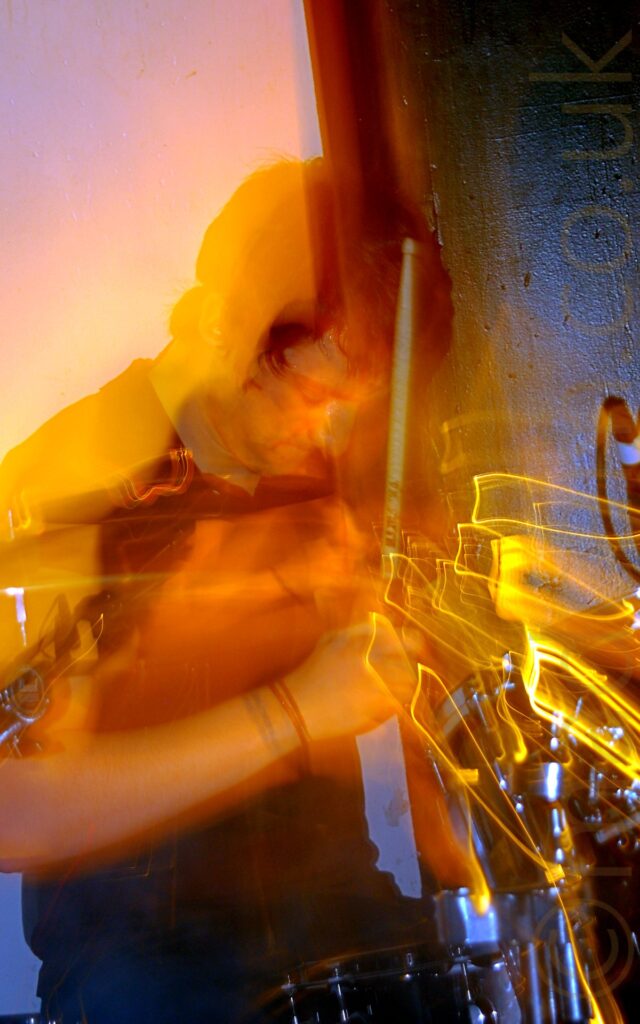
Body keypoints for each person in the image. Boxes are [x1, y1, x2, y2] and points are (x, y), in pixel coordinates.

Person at [0, 159, 449, 1023]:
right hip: (147, 967)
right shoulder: (65, 487)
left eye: (360, 405)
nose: (336, 434)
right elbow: (16, 812)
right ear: (223, 326)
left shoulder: (300, 483)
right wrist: (293, 710)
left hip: (340, 933)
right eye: (319, 394)